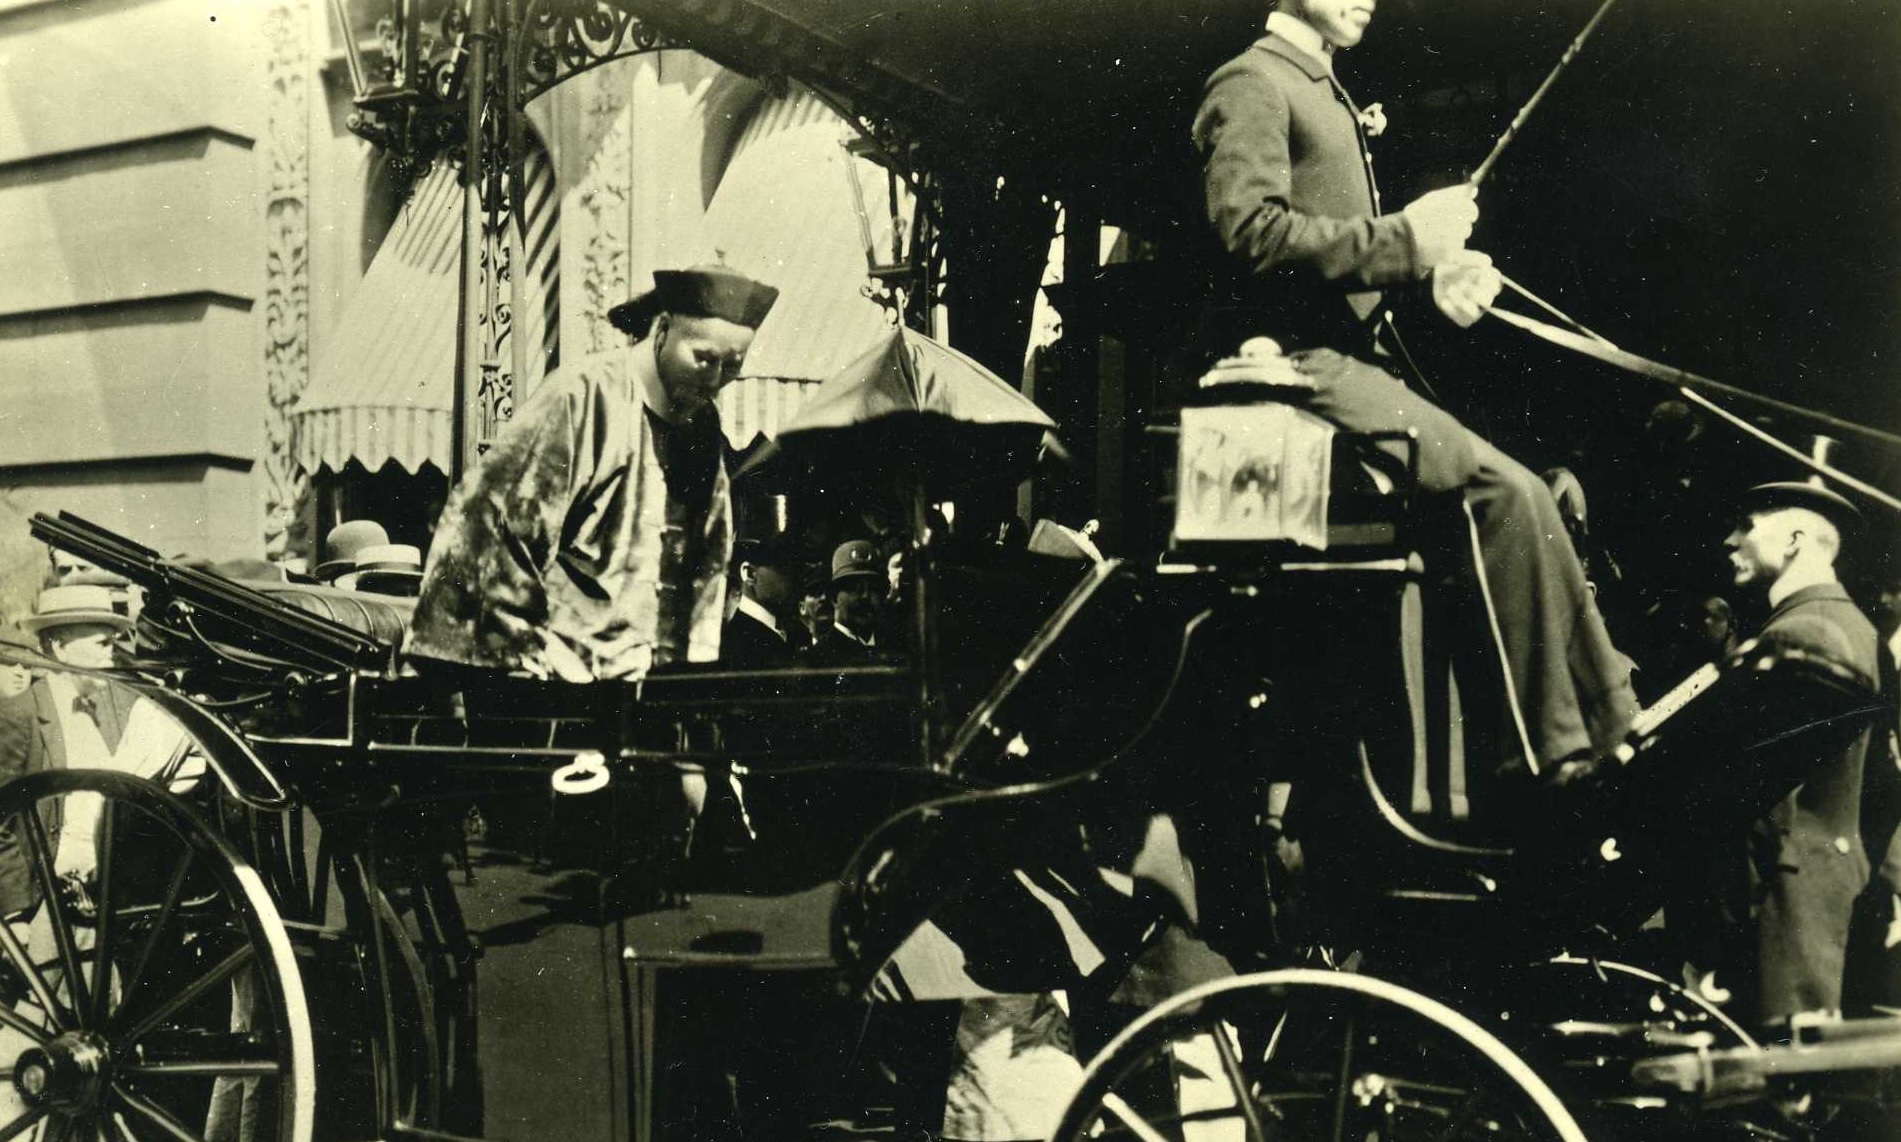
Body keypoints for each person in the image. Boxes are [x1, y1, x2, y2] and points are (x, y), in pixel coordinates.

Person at [1193, 0, 1638, 774]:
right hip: (1300, 365)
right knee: (1500, 494)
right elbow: (1250, 232)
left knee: (1530, 496)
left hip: (1347, 363)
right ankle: (1551, 755)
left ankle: (1613, 719)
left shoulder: (1318, 85)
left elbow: (1344, 263)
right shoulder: (1254, 80)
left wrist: (1430, 276)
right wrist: (1407, 239)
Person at [408, 265, 778, 681]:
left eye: (732, 366)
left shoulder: (702, 427)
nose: (714, 380)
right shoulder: (581, 396)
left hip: (641, 681)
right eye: (703, 359)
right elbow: (491, 531)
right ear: (662, 330)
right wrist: (533, 654)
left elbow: (705, 556)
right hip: (546, 677)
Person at [1680, 481, 1881, 1025]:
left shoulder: (1806, 633)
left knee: (1768, 1066)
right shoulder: (1846, 626)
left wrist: (1715, 935)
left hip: (1774, 902)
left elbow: (1764, 805)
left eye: (1746, 525)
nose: (1730, 540)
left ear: (1795, 539)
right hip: (1806, 893)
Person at [721, 536, 802, 668]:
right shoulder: (737, 643)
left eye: (798, 572)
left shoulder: (790, 632)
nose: (796, 581)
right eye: (784, 570)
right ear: (749, 574)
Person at [809, 540, 887, 664]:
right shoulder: (818, 659)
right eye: (854, 588)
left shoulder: (894, 650)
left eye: (873, 588)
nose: (865, 596)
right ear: (834, 597)